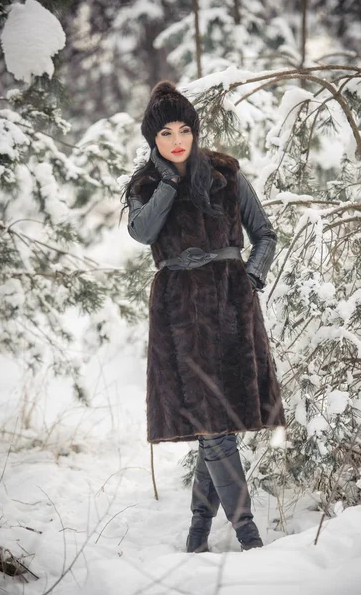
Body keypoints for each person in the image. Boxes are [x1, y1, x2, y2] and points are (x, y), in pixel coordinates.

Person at [121, 80, 286, 553]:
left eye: (185, 129)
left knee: (218, 425)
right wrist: (170, 184)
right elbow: (142, 231)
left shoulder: (226, 176)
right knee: (213, 425)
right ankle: (249, 537)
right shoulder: (145, 186)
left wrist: (250, 279)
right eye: (166, 132)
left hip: (231, 305)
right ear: (152, 139)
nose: (177, 139)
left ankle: (198, 535)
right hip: (178, 312)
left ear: (195, 130)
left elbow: (265, 235)